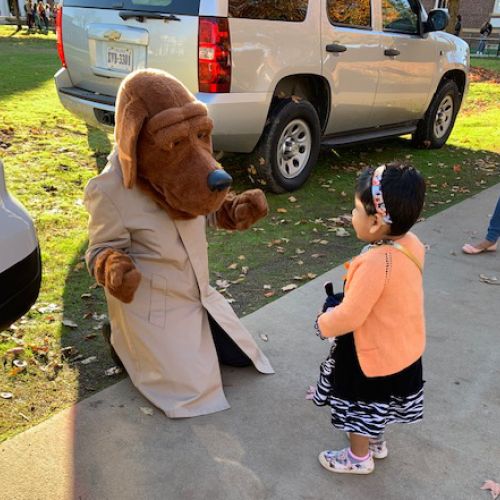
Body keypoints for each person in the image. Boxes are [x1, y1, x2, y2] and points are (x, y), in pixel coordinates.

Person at [311, 163, 427, 475]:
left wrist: (323, 323)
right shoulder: (411, 243)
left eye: (355, 210)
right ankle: (376, 441)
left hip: (369, 356)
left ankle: (358, 457)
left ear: (376, 222)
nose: (351, 215)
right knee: (382, 402)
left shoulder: (377, 262)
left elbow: (350, 315)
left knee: (360, 406)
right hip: (402, 348)